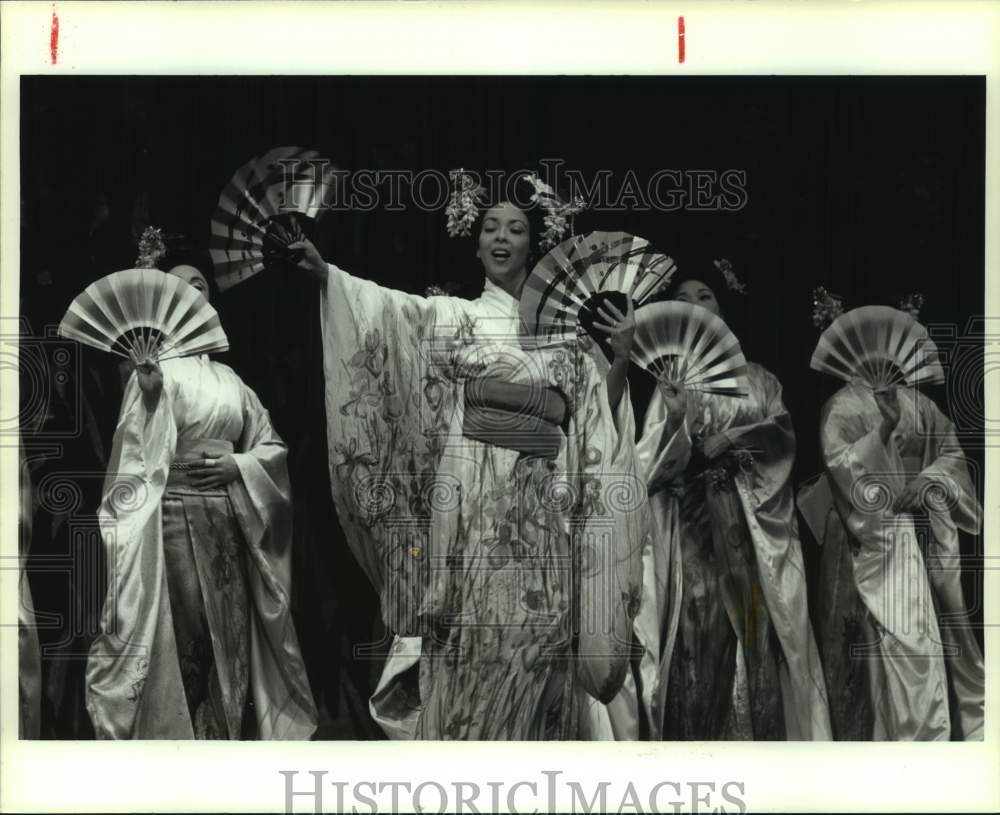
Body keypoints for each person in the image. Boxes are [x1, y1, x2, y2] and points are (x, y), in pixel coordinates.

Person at [289, 174, 648, 739]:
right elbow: (385, 311)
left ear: (536, 243)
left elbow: (598, 431)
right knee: (470, 656)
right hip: (471, 526)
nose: (501, 238)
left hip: (544, 522)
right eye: (490, 227)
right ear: (475, 241)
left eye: (516, 228)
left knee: (539, 654)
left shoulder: (567, 339)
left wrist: (622, 358)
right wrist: (327, 276)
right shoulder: (452, 317)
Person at [85, 261, 317, 739]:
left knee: (229, 635)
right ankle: (185, 741)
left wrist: (242, 465)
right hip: (172, 517)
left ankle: (225, 735)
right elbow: (134, 455)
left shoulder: (233, 381)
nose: (194, 293)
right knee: (186, 632)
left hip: (230, 518)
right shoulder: (154, 372)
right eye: (181, 287)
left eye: (201, 286)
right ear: (167, 305)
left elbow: (270, 445)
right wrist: (150, 399)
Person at [633, 263, 831, 740]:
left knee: (756, 624)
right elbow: (650, 463)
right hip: (695, 523)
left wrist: (736, 439)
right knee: (700, 626)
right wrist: (678, 422)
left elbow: (781, 434)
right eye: (686, 296)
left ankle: (755, 742)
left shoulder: (760, 378)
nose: (698, 303)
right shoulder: (671, 380)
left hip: (749, 521)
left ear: (721, 306)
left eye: (706, 295)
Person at [797, 309, 985, 741]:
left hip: (928, 532)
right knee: (885, 655)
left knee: (941, 639)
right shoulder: (841, 406)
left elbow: (952, 455)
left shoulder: (919, 402)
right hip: (872, 539)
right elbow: (843, 467)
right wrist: (882, 432)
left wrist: (928, 480)